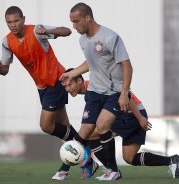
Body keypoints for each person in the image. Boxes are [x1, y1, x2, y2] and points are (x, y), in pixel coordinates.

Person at [0, 6, 77, 179]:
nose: (13, 25)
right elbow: (5, 70)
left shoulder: (37, 31)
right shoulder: (7, 42)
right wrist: (0, 68)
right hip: (42, 88)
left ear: (23, 19)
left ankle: (82, 147)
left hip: (56, 81)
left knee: (46, 126)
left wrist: (49, 31)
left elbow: (67, 31)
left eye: (16, 21)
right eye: (9, 22)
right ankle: (80, 162)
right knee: (65, 128)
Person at [61, 69, 179, 180]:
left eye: (70, 84)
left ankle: (110, 170)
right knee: (130, 158)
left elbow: (124, 96)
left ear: (80, 81)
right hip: (134, 113)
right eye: (65, 86)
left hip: (132, 114)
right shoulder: (90, 91)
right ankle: (172, 161)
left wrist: (139, 117)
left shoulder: (94, 87)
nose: (68, 89)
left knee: (92, 133)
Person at [60, 2, 133, 180]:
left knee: (101, 126)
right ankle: (107, 170)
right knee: (86, 130)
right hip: (95, 92)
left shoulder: (110, 37)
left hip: (114, 92)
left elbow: (127, 66)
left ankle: (112, 170)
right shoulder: (82, 40)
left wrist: (124, 93)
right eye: (71, 22)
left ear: (88, 18)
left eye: (76, 22)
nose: (74, 26)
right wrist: (73, 73)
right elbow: (91, 62)